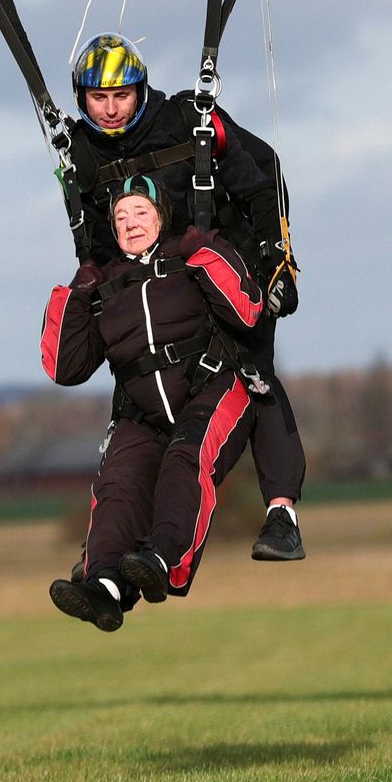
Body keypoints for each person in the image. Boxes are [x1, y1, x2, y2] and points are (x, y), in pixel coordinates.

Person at [63, 32, 306, 562]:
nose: (109, 110)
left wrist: (277, 264)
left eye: (120, 96)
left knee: (253, 374)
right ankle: (111, 548)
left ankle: (282, 516)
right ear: (81, 99)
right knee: (135, 401)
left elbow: (260, 186)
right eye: (97, 99)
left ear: (140, 91)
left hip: (228, 265)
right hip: (165, 288)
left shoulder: (188, 121)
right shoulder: (80, 153)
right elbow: (101, 247)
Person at [43, 176, 263, 631]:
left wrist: (203, 253)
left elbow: (247, 309)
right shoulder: (107, 285)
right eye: (121, 217)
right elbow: (65, 368)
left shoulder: (189, 256)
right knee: (117, 483)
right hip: (142, 412)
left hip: (213, 389)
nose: (130, 223)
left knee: (185, 459)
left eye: (140, 212)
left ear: (160, 216)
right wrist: (76, 295)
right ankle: (103, 585)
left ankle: (161, 557)